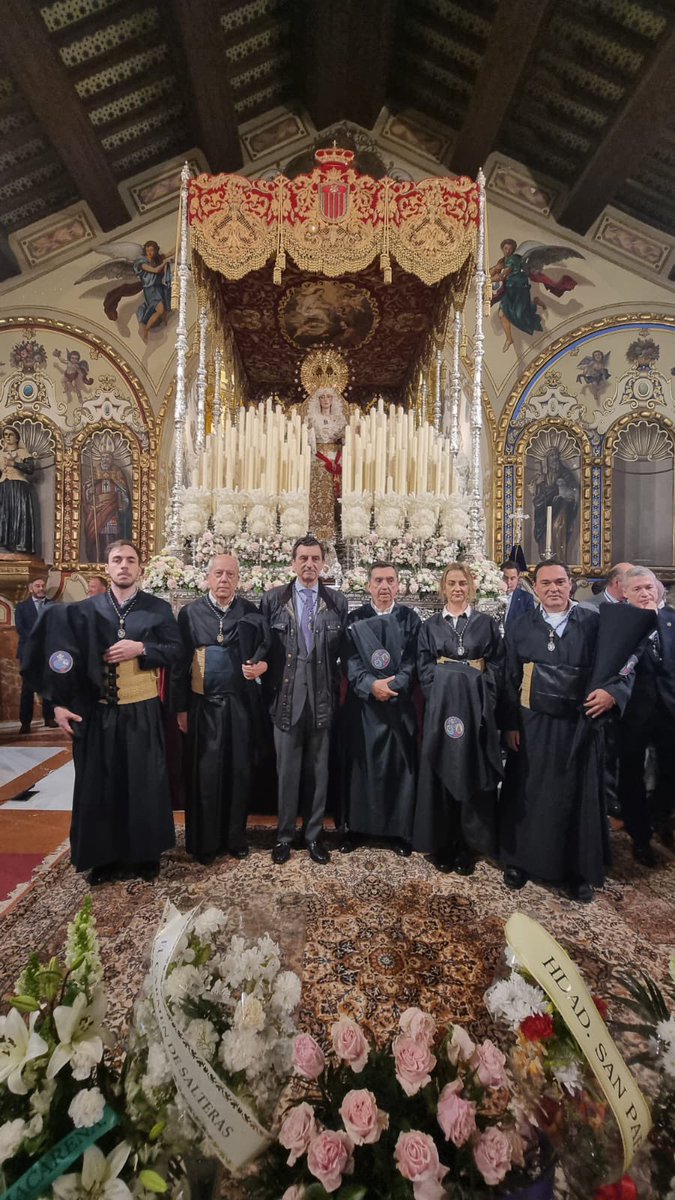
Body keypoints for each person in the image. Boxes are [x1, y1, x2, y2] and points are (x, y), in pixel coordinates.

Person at [39, 541, 183, 885]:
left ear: (139, 569)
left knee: (143, 783)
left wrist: (142, 647)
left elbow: (177, 651)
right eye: (117, 560)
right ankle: (104, 858)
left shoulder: (157, 609)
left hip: (141, 710)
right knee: (101, 785)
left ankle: (145, 855)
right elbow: (59, 660)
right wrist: (56, 704)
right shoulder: (83, 611)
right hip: (97, 712)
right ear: (107, 567)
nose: (123, 566)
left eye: (130, 560)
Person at [500, 558, 629, 903]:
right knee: (528, 792)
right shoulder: (521, 625)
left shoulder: (595, 621)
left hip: (578, 725)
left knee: (575, 795)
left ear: (571, 584)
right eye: (545, 583)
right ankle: (519, 861)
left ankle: (577, 871)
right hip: (532, 725)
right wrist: (510, 723)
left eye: (559, 582)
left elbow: (623, 664)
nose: (553, 589)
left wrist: (612, 694)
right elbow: (509, 677)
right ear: (535, 587)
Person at [171, 554, 269, 865]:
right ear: (208, 578)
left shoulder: (250, 612)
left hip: (239, 706)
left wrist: (261, 664)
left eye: (230, 574)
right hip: (203, 707)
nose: (224, 579)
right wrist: (181, 709)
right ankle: (204, 842)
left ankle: (235, 838)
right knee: (205, 774)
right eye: (218, 574)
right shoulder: (190, 613)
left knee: (238, 772)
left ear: (238, 579)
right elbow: (178, 664)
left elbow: (266, 648)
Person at [260, 535, 348, 865]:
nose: (309, 565)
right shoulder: (274, 600)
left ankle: (313, 837)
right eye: (303, 559)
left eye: (315, 559)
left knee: (318, 772)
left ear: (323, 563)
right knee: (286, 772)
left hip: (322, 697)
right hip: (285, 698)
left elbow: (342, 651)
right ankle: (284, 836)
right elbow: (264, 646)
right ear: (293, 563)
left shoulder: (336, 601)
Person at [413, 563, 504, 875]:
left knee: (470, 770)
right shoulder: (430, 627)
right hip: (442, 714)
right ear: (443, 588)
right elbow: (423, 667)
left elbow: (496, 665)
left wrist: (483, 700)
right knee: (442, 769)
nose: (457, 589)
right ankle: (443, 842)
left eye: (462, 583)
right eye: (451, 583)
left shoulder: (486, 624)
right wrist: (440, 697)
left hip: (476, 712)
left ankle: (468, 844)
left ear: (471, 587)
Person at [340, 562, 421, 856]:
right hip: (363, 708)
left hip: (398, 708)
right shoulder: (354, 618)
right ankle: (356, 828)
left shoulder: (411, 619)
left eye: (390, 581)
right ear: (368, 586)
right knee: (361, 768)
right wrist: (370, 686)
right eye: (378, 581)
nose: (384, 586)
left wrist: (395, 685)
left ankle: (398, 831)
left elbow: (414, 659)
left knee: (398, 769)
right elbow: (348, 659)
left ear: (398, 585)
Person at [619, 566, 675, 863]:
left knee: (670, 771)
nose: (644, 593)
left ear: (658, 589)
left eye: (649, 587)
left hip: (670, 710)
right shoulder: (619, 625)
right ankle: (639, 835)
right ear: (625, 593)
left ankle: (659, 816)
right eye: (637, 589)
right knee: (631, 775)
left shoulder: (672, 621)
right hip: (633, 713)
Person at [305, 387, 347, 544]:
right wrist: (307, 430)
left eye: (328, 397)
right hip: (317, 457)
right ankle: (315, 527)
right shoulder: (312, 418)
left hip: (336, 458)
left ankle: (336, 527)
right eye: (322, 397)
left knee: (336, 491)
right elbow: (306, 438)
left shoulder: (339, 419)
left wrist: (349, 433)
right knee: (317, 491)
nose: (325, 400)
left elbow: (345, 439)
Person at [15, 577, 56, 733]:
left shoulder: (53, 605)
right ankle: (25, 722)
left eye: (43, 585)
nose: (41, 588)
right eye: (37, 586)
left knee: (48, 686)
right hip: (28, 653)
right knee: (27, 688)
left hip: (48, 652)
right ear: (31, 588)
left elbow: (56, 625)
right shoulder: (22, 607)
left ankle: (49, 718)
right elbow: (21, 629)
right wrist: (38, 639)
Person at [82, 447, 132, 562]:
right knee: (97, 538)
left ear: (111, 460)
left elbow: (123, 490)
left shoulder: (117, 473)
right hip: (97, 511)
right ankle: (98, 561)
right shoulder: (94, 472)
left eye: (107, 457)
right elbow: (87, 491)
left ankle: (112, 560)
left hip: (112, 511)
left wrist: (121, 501)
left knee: (112, 537)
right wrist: (90, 492)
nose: (105, 460)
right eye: (103, 457)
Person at [0, 426, 36, 554]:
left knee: (19, 514)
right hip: (4, 487)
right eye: (5, 434)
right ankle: (4, 543)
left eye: (10, 434)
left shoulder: (23, 453)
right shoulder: (1, 454)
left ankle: (20, 544)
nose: (7, 437)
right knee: (4, 514)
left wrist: (14, 464)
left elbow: (30, 469)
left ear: (16, 438)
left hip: (19, 487)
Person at [133, 240, 173, 342]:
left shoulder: (156, 259)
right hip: (151, 289)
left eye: (152, 250)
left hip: (158, 287)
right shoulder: (141, 263)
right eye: (147, 250)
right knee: (160, 309)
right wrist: (164, 263)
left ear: (155, 250)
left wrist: (181, 243)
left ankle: (165, 322)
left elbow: (170, 253)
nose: (150, 253)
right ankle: (146, 329)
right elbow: (155, 270)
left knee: (164, 307)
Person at [500, 559, 535, 628]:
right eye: (505, 578)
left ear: (518, 578)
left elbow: (530, 623)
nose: (508, 582)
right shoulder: (490, 596)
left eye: (512, 578)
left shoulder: (526, 598)